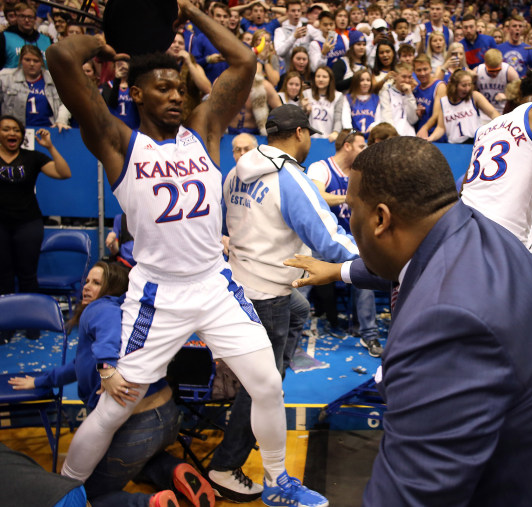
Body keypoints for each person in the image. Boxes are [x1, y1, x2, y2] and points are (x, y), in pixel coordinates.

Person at [284, 135, 532, 507]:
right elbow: (410, 263)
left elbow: (413, 495)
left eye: (352, 208)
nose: (350, 217)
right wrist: (337, 270)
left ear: (380, 219)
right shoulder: (479, 231)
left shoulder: (445, 321)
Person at [46, 1, 327, 505]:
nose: (176, 95)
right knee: (115, 406)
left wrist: (192, 12)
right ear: (136, 93)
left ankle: (279, 483)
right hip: (159, 294)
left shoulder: (203, 132)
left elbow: (243, 61)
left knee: (266, 383)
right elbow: (64, 58)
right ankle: (66, 490)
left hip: (216, 284)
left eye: (180, 88)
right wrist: (109, 45)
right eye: (164, 88)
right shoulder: (118, 142)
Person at [211, 105, 359, 501]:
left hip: (238, 286)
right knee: (264, 390)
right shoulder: (290, 177)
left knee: (301, 309)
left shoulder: (235, 171)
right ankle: (227, 464)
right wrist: (373, 260)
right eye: (309, 134)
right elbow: (329, 241)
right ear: (299, 134)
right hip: (266, 297)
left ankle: (265, 396)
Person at [9, 261, 214, 507]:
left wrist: (106, 370)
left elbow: (107, 337)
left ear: (113, 287)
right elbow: (78, 365)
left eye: (97, 283)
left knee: (86, 493)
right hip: (168, 417)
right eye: (87, 281)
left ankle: (149, 503)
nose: (86, 287)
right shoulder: (131, 313)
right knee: (134, 458)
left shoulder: (100, 308)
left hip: (136, 424)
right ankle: (173, 470)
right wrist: (41, 380)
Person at [307, 128, 382, 356]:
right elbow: (316, 197)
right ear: (347, 145)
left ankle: (369, 335)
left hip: (354, 242)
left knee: (367, 273)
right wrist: (350, 198)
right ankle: (288, 331)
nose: (365, 150)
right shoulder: (321, 168)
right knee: (301, 284)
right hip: (323, 242)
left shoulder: (363, 172)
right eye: (361, 146)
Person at [0, 115, 70, 343]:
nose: (12, 133)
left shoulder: (32, 157)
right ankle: (6, 325)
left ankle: (31, 321)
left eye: (16, 130)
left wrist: (50, 147)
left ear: (22, 135)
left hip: (28, 223)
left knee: (28, 275)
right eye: (6, 129)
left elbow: (63, 173)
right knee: (4, 276)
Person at [420, 68, 498, 143]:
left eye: (469, 85)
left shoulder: (474, 96)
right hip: (455, 145)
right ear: (454, 86)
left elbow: (493, 113)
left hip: (474, 141)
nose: (467, 89)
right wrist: (430, 138)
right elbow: (441, 127)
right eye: (464, 85)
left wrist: (503, 126)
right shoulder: (444, 102)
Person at [0, 45, 66, 129]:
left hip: (48, 130)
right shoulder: (5, 78)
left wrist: (61, 120)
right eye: (27, 60)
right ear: (20, 60)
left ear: (42, 62)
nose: (31, 64)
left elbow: (65, 103)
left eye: (36, 61)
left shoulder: (55, 80)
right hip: (16, 131)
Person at [302, 65, 348, 142]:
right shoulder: (306, 94)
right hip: (310, 139)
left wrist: (336, 132)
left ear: (330, 79)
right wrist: (304, 109)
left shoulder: (338, 96)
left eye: (324, 77)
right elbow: (301, 120)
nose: (321, 79)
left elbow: (338, 118)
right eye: (318, 76)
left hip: (328, 139)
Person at [0, 2, 52, 70]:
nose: (27, 20)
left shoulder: (47, 40)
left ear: (35, 19)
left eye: (30, 17)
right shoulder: (4, 37)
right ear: (17, 18)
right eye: (23, 16)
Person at [376, 61, 417, 136]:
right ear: (395, 76)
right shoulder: (386, 94)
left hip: (410, 137)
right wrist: (395, 136)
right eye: (404, 77)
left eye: (409, 77)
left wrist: (409, 94)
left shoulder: (411, 94)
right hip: (392, 137)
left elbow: (413, 120)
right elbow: (387, 119)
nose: (407, 80)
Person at [346, 69, 379, 136]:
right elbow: (346, 120)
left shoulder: (376, 98)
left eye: (368, 80)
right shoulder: (348, 98)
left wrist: (372, 127)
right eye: (361, 80)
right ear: (356, 82)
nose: (365, 83)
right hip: (353, 137)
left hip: (371, 136)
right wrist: (351, 133)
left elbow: (379, 119)